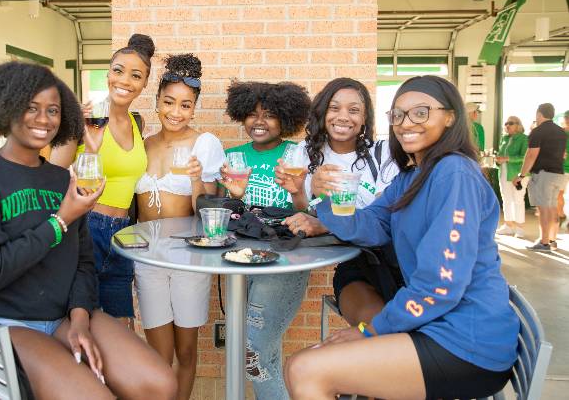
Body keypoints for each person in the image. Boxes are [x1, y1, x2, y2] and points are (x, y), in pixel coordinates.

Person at [0, 62, 176, 400]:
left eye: (53, 110)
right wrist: (60, 221)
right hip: (0, 323)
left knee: (160, 385)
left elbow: (83, 263)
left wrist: (81, 317)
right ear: (5, 107)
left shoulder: (61, 179)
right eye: (31, 107)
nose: (44, 118)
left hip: (63, 318)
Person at [284, 75, 519, 400]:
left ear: (450, 117)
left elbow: (441, 284)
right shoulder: (413, 176)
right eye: (397, 114)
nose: (406, 122)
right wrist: (322, 197)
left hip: (466, 339)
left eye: (420, 112)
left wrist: (372, 330)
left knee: (304, 369)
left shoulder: (455, 174)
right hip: (436, 324)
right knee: (301, 364)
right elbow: (370, 225)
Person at [133, 54, 224, 400]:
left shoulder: (205, 145)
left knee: (185, 351)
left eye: (185, 105)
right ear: (156, 102)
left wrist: (199, 180)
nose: (176, 111)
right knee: (159, 356)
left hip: (189, 257)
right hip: (147, 258)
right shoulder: (142, 147)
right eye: (169, 102)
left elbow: (208, 214)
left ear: (194, 108)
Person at [278, 77, 400, 329]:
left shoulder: (383, 153)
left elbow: (382, 219)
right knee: (380, 329)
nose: (343, 116)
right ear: (322, 112)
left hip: (390, 260)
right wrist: (299, 194)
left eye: (354, 110)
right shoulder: (304, 153)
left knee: (398, 331)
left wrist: (325, 222)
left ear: (365, 118)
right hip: (354, 266)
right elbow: (306, 217)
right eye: (334, 108)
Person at [51, 34, 155, 326]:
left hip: (124, 233)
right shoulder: (81, 118)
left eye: (136, 75)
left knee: (122, 328)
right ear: (108, 73)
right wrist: (77, 134)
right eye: (118, 71)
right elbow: (53, 176)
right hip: (86, 228)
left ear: (144, 84)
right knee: (83, 327)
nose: (124, 80)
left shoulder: (137, 123)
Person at [218, 80, 311, 400]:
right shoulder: (233, 156)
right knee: (259, 346)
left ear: (285, 119)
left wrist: (297, 190)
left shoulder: (297, 154)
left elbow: (310, 213)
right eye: (252, 114)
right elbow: (225, 219)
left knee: (252, 350)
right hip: (241, 259)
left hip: (285, 260)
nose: (259, 122)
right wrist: (234, 198)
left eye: (269, 115)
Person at [514, 103, 568, 252]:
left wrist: (521, 175)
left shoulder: (538, 131)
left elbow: (531, 155)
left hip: (544, 174)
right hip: (558, 174)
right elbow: (563, 155)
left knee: (543, 209)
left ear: (539, 114)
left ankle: (544, 243)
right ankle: (551, 239)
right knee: (551, 208)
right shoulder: (561, 132)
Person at [495, 116, 529, 238]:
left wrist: (508, 158)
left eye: (511, 123)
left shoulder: (524, 138)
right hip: (503, 173)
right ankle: (508, 226)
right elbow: (500, 155)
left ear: (518, 125)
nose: (507, 125)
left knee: (518, 200)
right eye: (506, 123)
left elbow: (525, 157)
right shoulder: (504, 138)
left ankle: (520, 227)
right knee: (506, 199)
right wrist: (497, 160)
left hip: (518, 175)